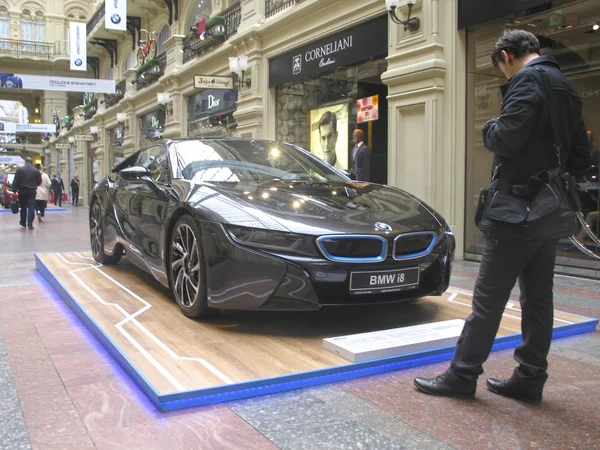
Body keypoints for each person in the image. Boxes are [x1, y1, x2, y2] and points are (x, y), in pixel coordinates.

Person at [414, 29, 590, 405]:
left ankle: (462, 375)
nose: (504, 77)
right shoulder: (566, 87)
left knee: (488, 299)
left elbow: (504, 138)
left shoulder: (527, 82)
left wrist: (488, 126)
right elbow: (580, 156)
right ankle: (530, 377)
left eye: (501, 70)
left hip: (517, 212)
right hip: (549, 211)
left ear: (507, 56)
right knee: (539, 298)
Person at [13, 157, 41, 230]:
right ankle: (30, 224)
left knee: (23, 207)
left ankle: (23, 222)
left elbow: (16, 181)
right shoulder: (36, 171)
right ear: (32, 162)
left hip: (22, 190)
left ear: (25, 162)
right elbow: (39, 182)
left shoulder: (19, 170)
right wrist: (35, 184)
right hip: (32, 191)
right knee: (31, 207)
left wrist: (14, 190)